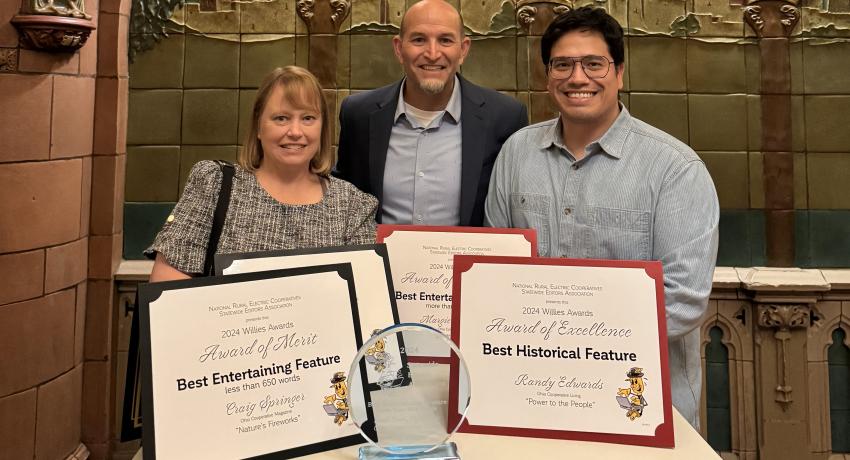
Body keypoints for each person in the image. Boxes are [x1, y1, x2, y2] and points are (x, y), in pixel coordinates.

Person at [484, 6, 719, 428]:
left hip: (640, 407)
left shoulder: (675, 168)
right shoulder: (516, 154)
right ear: (547, 74)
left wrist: (567, 340)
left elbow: (682, 301)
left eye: (594, 63)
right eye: (563, 64)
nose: (578, 78)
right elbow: (495, 271)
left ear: (619, 73)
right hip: (532, 396)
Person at [146, 66, 378, 282]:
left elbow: (362, 301)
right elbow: (167, 294)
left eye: (308, 118)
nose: (295, 132)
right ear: (258, 126)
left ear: (322, 127)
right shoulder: (214, 185)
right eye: (281, 118)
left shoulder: (353, 207)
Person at [335, 0, 528, 227]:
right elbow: (343, 200)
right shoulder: (359, 115)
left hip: (465, 261)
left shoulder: (505, 117)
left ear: (463, 49)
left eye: (445, 40)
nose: (433, 53)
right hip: (382, 260)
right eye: (419, 40)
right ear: (399, 48)